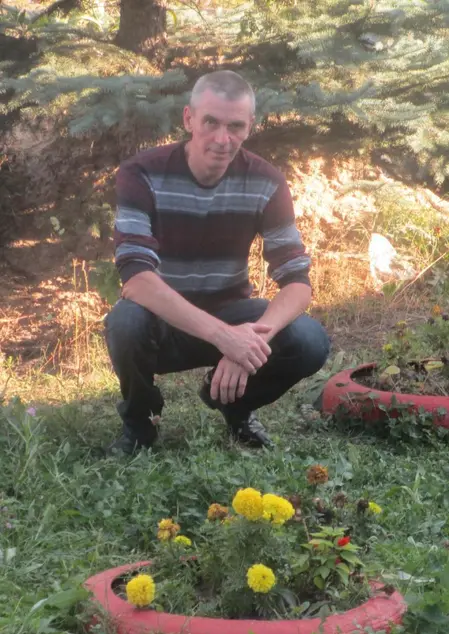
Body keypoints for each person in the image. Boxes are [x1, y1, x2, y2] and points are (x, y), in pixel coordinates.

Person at [104, 69, 330, 455]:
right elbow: (136, 279)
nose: (223, 139)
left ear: (250, 126)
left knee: (310, 339)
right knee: (125, 321)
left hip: (231, 310)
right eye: (211, 122)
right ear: (189, 119)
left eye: (235, 126)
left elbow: (297, 281)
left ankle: (233, 403)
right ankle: (140, 424)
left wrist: (252, 342)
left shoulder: (267, 182)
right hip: (162, 320)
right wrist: (225, 338)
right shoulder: (142, 173)